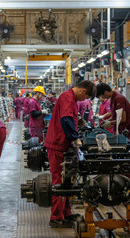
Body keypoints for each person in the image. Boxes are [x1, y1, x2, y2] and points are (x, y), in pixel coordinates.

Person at [44, 80, 96, 228]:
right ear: (83, 91)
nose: (82, 101)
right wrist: (75, 138)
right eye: (84, 98)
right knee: (59, 182)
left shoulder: (71, 98)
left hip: (64, 145)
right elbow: (66, 119)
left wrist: (78, 122)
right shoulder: (67, 97)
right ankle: (56, 217)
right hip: (57, 145)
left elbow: (70, 118)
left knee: (68, 180)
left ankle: (66, 213)